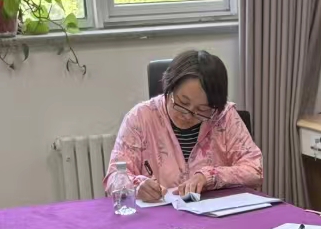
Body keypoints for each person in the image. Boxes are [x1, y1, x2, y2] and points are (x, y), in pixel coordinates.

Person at [103, 50, 263, 204]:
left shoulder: (224, 116)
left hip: (214, 215)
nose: (188, 115)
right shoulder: (140, 118)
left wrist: (209, 176)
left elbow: (254, 170)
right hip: (160, 216)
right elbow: (114, 177)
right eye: (182, 103)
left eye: (202, 110)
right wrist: (137, 185)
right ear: (169, 88)